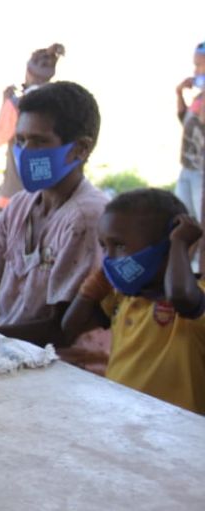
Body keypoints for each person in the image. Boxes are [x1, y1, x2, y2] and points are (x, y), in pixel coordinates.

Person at [0, 81, 107, 346]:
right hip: (11, 350)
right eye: (21, 140)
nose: (25, 153)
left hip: (67, 366)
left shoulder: (85, 217)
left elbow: (61, 329)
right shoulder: (18, 206)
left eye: (39, 142)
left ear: (80, 149)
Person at [63, 189, 205, 415]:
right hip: (122, 419)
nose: (109, 257)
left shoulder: (194, 297)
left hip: (177, 434)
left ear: (166, 246)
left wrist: (179, 243)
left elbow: (181, 296)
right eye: (103, 246)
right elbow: (71, 326)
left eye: (119, 246)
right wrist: (97, 283)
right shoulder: (124, 298)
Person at [0, 43, 65, 209]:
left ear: (28, 73)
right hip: (50, 196)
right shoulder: (61, 105)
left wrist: (5, 104)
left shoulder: (16, 105)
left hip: (17, 195)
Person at [174, 41, 205, 222]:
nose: (195, 71)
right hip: (188, 167)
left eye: (200, 65)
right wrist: (179, 94)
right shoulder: (198, 98)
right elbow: (185, 121)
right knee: (185, 220)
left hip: (202, 171)